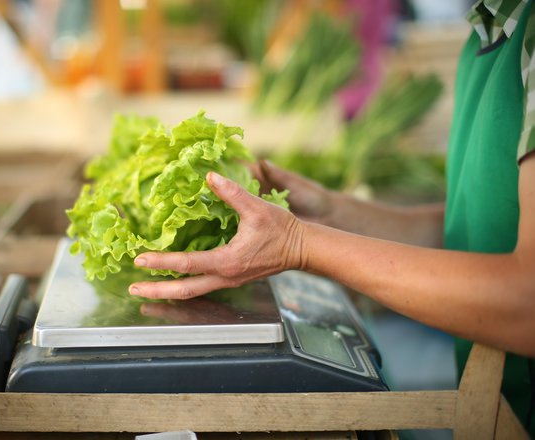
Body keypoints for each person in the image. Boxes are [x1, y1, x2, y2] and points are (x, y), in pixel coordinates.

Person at [129, 0, 535, 433]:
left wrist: (302, 244)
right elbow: (478, 228)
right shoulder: (491, 31)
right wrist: (333, 211)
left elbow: (527, 301)